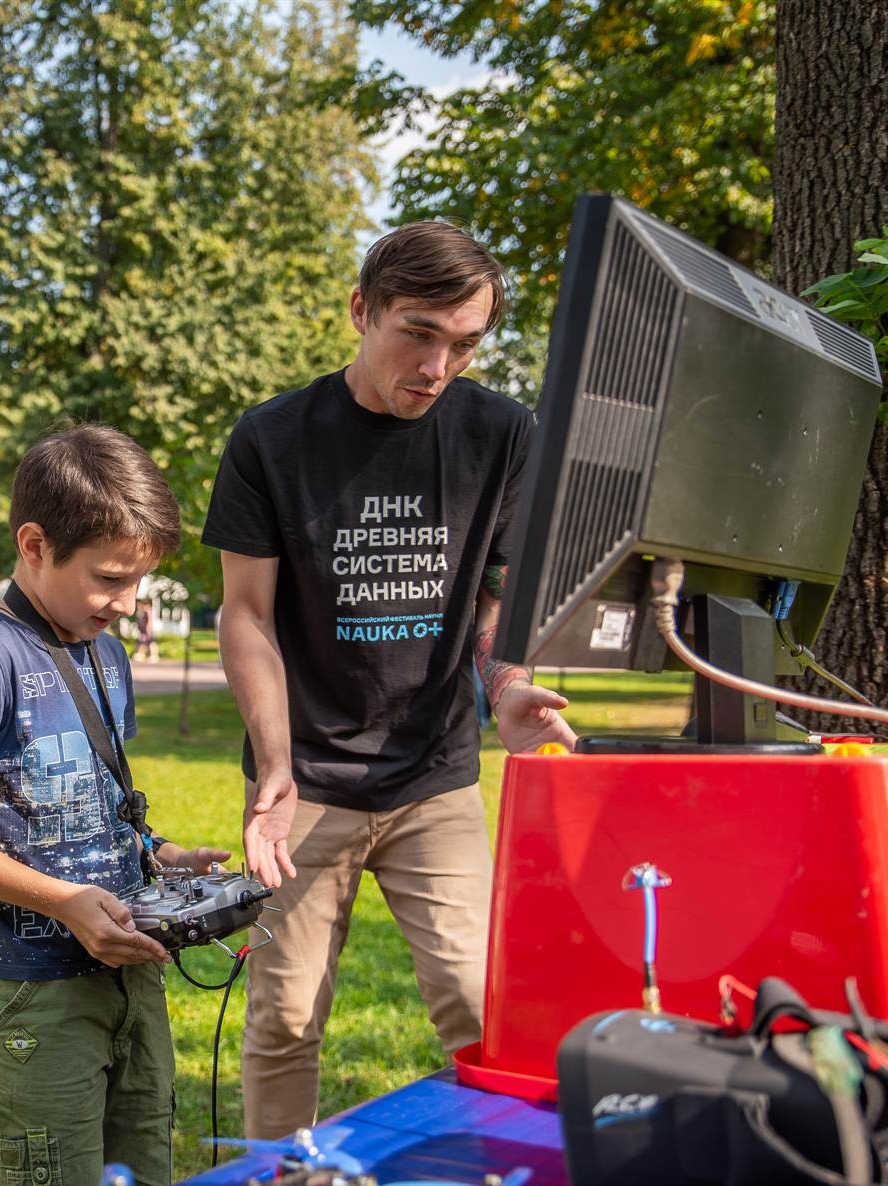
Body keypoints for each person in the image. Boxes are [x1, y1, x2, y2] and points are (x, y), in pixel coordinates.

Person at [201, 221, 578, 1140]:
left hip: (434, 775)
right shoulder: (271, 438)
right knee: (284, 1022)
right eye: (418, 332)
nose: (437, 365)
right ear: (361, 310)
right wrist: (275, 763)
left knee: (485, 1008)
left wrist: (505, 687)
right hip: (306, 785)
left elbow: (493, 605)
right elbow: (243, 615)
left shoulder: (502, 433)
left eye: (464, 343)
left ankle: (509, 1159)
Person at [0, 424, 231, 1186]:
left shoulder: (104, 649)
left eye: (139, 581)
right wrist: (65, 901)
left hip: (127, 965)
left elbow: (94, 798)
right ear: (36, 545)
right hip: (36, 988)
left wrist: (161, 856)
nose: (126, 603)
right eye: (110, 578)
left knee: (142, 1163)